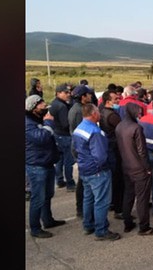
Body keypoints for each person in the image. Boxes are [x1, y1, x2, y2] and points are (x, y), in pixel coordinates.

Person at [72, 103, 120, 241]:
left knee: (88, 198)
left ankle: (88, 225)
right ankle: (101, 230)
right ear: (93, 114)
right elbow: (100, 156)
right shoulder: (95, 132)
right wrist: (101, 167)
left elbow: (74, 149)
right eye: (98, 112)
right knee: (101, 201)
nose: (100, 114)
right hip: (97, 171)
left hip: (84, 169)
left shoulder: (79, 128)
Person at [115, 102, 153, 235]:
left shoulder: (119, 126)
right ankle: (144, 227)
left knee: (128, 195)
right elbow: (142, 151)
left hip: (126, 165)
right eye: (139, 112)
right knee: (142, 198)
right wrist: (147, 167)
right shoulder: (136, 128)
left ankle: (127, 222)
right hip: (139, 168)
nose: (140, 114)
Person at [25, 95, 66, 238]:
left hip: (46, 162)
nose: (45, 108)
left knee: (48, 195)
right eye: (42, 105)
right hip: (37, 165)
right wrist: (48, 123)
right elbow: (41, 137)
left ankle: (48, 220)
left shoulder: (37, 120)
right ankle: (35, 228)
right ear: (34, 107)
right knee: (38, 198)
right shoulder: (28, 123)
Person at [99, 90, 124, 219]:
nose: (118, 101)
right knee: (118, 179)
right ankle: (119, 209)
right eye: (115, 99)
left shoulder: (102, 112)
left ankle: (113, 203)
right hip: (114, 148)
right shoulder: (113, 116)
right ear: (108, 102)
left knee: (114, 178)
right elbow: (122, 130)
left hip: (109, 148)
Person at [69, 85, 93, 218]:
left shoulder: (76, 108)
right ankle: (81, 208)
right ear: (83, 97)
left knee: (83, 180)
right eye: (88, 95)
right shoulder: (79, 111)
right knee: (83, 181)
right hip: (80, 148)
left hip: (77, 147)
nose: (90, 96)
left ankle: (83, 207)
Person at [49, 83, 76, 191]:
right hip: (64, 135)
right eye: (65, 92)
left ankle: (59, 180)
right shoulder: (61, 106)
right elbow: (65, 124)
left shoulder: (54, 103)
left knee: (59, 160)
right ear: (58, 93)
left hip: (57, 134)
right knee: (68, 161)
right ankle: (70, 183)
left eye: (69, 92)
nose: (68, 94)